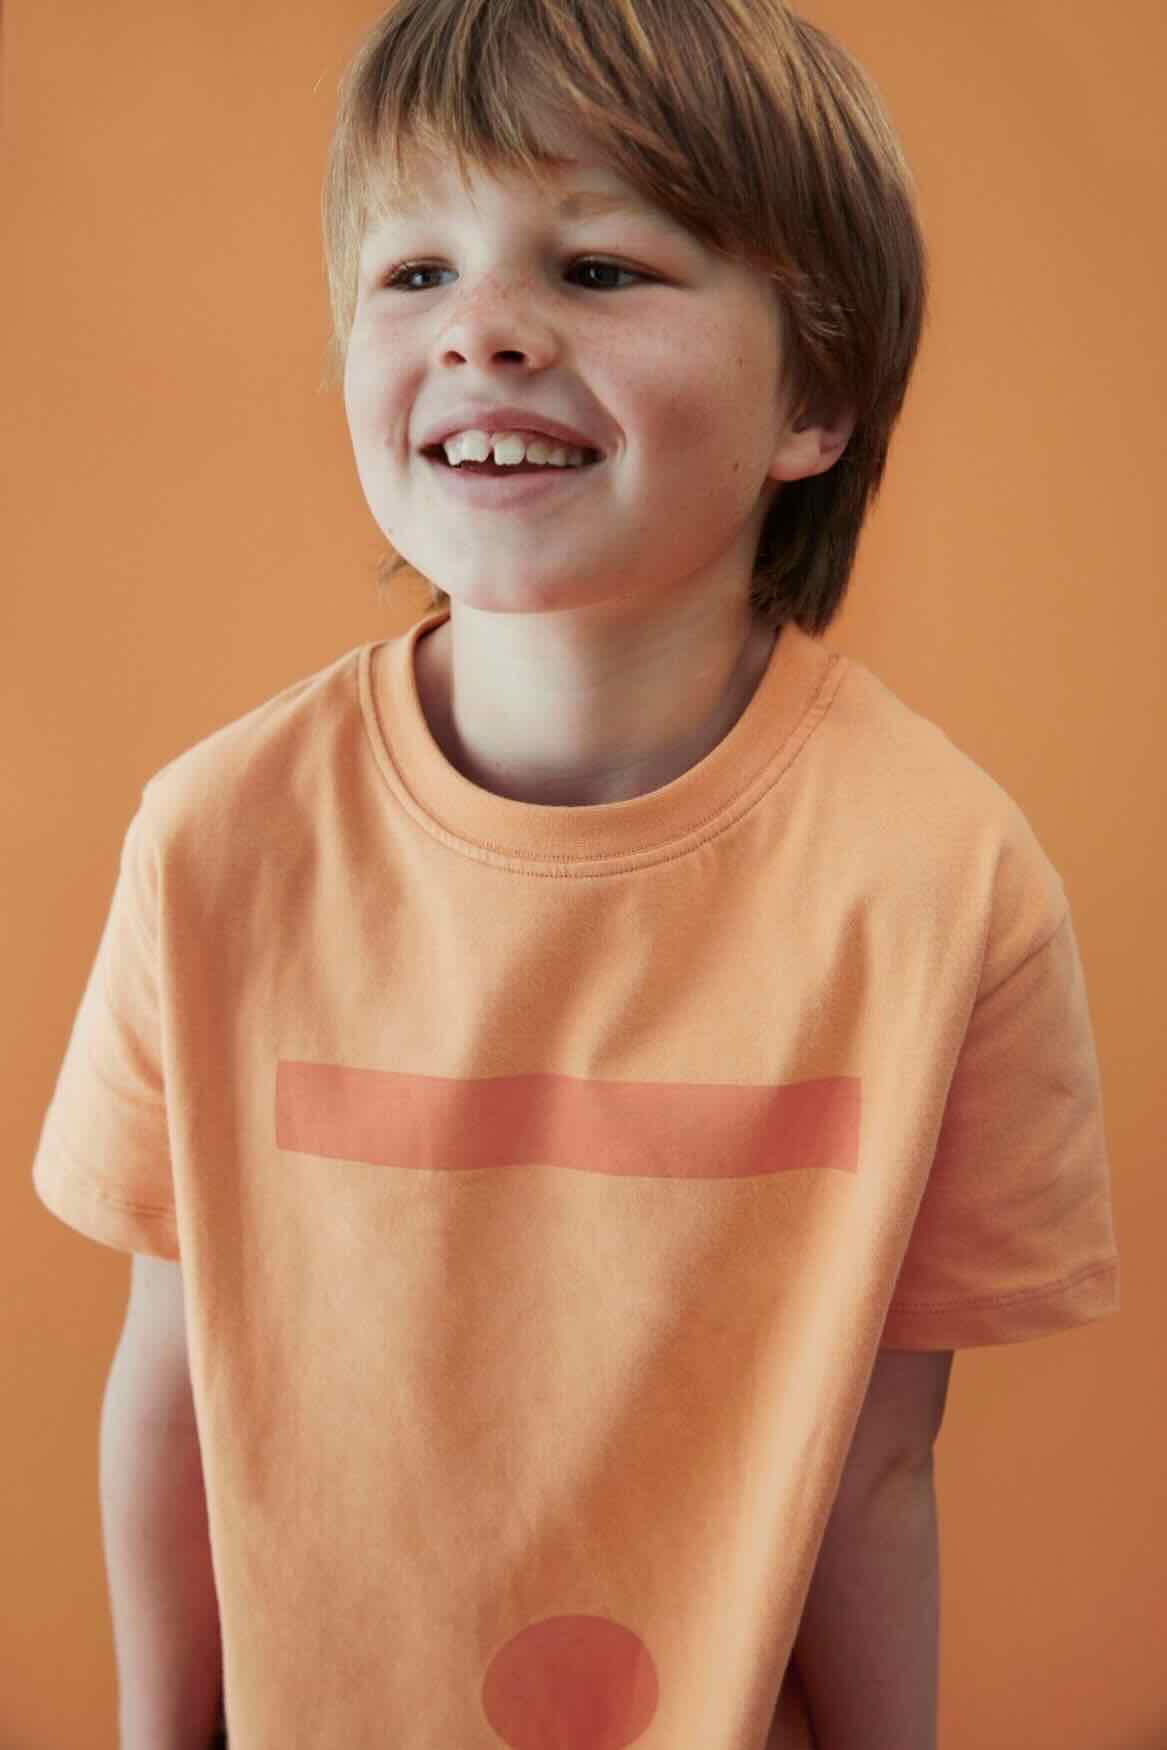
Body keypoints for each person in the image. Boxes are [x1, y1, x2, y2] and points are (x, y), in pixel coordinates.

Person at [32, 1, 1120, 1746]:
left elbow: (875, 1470)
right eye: (416, 272)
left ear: (816, 399)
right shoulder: (213, 843)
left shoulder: (944, 887)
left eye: (599, 268)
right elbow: (175, 1396)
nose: (484, 331)